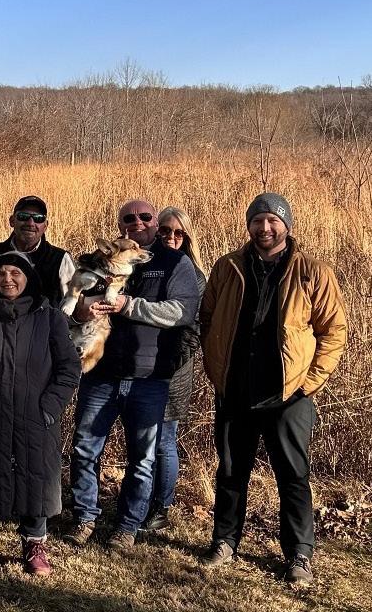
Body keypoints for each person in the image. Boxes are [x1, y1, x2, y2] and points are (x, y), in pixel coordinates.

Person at [198, 194, 347, 588]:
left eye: (272, 220)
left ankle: (299, 554)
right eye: (257, 221)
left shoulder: (312, 272)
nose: (265, 228)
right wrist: (217, 370)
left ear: (286, 225)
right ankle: (224, 541)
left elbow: (334, 332)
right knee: (231, 471)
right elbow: (207, 318)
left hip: (288, 394)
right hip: (235, 390)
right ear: (249, 225)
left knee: (293, 475)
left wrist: (308, 383)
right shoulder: (228, 267)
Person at [66, 199, 201, 548]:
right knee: (85, 449)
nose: (137, 222)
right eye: (128, 217)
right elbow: (70, 305)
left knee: (142, 459)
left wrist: (128, 305)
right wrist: (80, 313)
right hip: (100, 372)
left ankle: (128, 525)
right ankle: (84, 517)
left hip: (150, 376)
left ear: (156, 221)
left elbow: (182, 312)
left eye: (145, 216)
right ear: (120, 224)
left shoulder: (174, 263)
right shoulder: (98, 261)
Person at [0, 252, 80, 576]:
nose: (7, 279)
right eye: (1, 273)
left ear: (28, 278)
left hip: (35, 415)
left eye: (15, 273)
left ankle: (34, 543)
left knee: (37, 474)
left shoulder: (49, 319)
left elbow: (69, 368)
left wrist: (50, 407)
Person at [144, 206, 204, 533]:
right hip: (144, 368)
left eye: (178, 233)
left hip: (172, 372)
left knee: (165, 440)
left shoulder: (195, 277)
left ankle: (161, 506)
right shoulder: (147, 267)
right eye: (165, 230)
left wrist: (166, 365)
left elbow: (193, 332)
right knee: (144, 440)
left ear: (187, 237)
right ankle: (141, 500)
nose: (171, 237)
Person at [0, 196, 76, 314]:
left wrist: (55, 323)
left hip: (45, 325)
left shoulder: (60, 258)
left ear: (45, 226)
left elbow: (71, 304)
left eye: (38, 218)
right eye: (23, 216)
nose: (30, 223)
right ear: (12, 221)